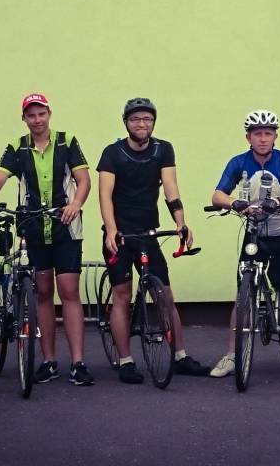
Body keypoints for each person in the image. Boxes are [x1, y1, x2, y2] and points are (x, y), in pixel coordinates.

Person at [0, 93, 94, 386]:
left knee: (69, 291)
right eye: (31, 115)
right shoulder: (18, 146)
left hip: (66, 227)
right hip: (34, 227)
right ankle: (49, 361)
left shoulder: (66, 141)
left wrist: (76, 203)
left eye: (41, 114)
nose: (37, 120)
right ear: (24, 118)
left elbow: (84, 179)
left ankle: (78, 362)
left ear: (49, 114)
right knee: (43, 293)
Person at [97, 97, 210, 382]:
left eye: (147, 119)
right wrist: (111, 229)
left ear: (154, 122)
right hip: (120, 235)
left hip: (148, 232)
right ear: (126, 123)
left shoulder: (163, 149)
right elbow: (105, 195)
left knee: (165, 296)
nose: (142, 124)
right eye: (135, 119)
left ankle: (180, 356)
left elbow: (171, 188)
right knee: (122, 296)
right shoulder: (112, 153)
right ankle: (126, 361)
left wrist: (181, 223)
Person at [209, 109, 280, 381]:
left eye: (267, 133)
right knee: (242, 297)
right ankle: (231, 356)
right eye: (257, 133)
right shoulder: (238, 162)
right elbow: (217, 195)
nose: (262, 138)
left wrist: (278, 202)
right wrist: (234, 203)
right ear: (248, 137)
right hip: (254, 234)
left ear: (275, 136)